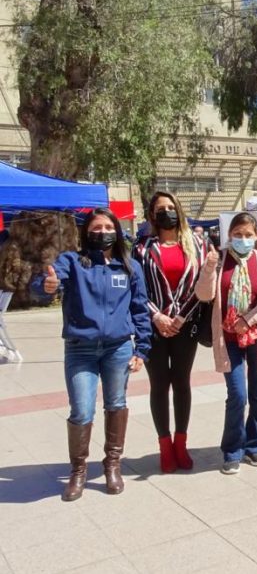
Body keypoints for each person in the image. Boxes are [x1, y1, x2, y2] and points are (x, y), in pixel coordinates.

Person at [35, 208, 152, 501]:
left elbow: (140, 309)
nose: (102, 232)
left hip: (118, 348)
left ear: (117, 231)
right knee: (82, 410)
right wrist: (45, 286)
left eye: (107, 227)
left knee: (116, 404)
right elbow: (47, 284)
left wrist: (142, 349)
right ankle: (78, 471)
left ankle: (113, 464)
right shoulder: (72, 262)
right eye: (95, 228)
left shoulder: (130, 266)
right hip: (80, 349)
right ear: (86, 232)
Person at [197, 213, 257, 474]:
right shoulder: (219, 259)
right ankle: (232, 449)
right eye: (237, 234)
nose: (243, 239)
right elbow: (204, 294)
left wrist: (249, 319)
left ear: (256, 236)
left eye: (248, 235)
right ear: (229, 235)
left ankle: (254, 446)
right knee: (238, 394)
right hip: (228, 337)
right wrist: (209, 268)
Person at [133, 192, 210, 473]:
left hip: (185, 325)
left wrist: (179, 317)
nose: (166, 212)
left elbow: (202, 286)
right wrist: (157, 316)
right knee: (159, 385)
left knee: (182, 383)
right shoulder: (142, 248)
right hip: (154, 326)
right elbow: (137, 289)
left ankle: (181, 442)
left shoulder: (198, 244)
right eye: (160, 209)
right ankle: (164, 445)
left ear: (179, 210)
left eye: (170, 207)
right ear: (152, 215)